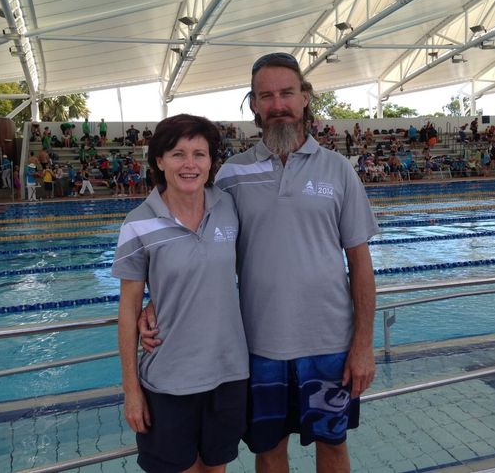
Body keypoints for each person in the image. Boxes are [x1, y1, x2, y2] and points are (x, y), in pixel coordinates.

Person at [140, 53, 378, 473]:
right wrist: (159, 301)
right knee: (267, 452)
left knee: (333, 446)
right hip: (256, 346)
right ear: (254, 105)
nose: (278, 104)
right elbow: (205, 248)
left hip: (330, 344)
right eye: (266, 96)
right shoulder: (230, 175)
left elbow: (360, 264)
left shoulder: (339, 170)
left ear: (305, 98)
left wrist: (362, 345)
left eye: (287, 92)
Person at [113, 114, 248, 473]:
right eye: (178, 154)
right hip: (169, 379)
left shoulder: (228, 207)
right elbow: (127, 310)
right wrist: (131, 391)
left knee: (216, 469)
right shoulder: (137, 222)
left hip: (227, 372)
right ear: (159, 160)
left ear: (210, 162)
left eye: (199, 154)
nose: (190, 164)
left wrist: (159, 301)